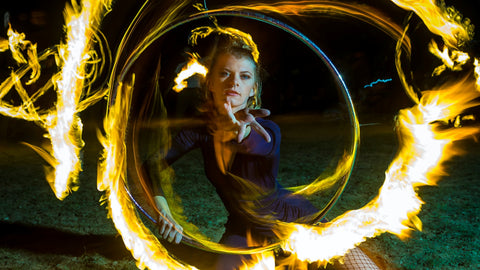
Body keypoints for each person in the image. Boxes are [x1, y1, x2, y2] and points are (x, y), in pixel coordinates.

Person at [143, 29, 379, 270]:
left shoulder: (266, 129)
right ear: (211, 83)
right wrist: (162, 209)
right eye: (225, 73)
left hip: (295, 220)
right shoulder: (198, 132)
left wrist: (238, 132)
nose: (234, 82)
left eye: (244, 76)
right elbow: (151, 164)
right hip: (243, 231)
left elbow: (254, 143)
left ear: (253, 89)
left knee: (363, 268)